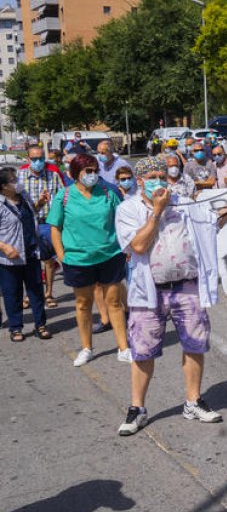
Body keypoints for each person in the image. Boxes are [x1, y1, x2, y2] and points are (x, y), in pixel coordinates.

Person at [114, 155, 227, 436]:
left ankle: (193, 401)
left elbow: (214, 222)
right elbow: (138, 246)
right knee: (143, 351)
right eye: (152, 175)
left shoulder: (184, 205)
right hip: (149, 292)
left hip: (186, 286)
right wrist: (156, 211)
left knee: (195, 345)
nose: (159, 180)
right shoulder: (127, 210)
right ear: (140, 181)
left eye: (162, 175)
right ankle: (137, 408)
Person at [46, 153, 130, 367]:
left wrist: (126, 247)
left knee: (114, 302)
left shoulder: (108, 194)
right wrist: (62, 256)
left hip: (110, 255)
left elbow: (122, 220)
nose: (93, 175)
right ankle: (86, 348)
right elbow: (55, 228)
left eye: (95, 171)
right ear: (76, 173)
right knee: (83, 304)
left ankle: (124, 347)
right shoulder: (64, 196)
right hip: (78, 259)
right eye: (88, 171)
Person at [0, 167, 51, 342]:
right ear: (3, 186)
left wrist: (40, 203)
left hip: (31, 252)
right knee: (12, 293)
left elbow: (31, 215)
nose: (18, 183)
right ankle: (15, 328)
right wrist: (4, 247)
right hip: (10, 258)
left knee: (36, 290)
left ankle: (40, 325)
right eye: (13, 180)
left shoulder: (25, 197)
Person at [18, 145, 66, 303]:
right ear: (28, 159)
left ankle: (49, 293)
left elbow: (64, 199)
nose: (38, 162)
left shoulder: (53, 176)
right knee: (29, 260)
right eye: (34, 159)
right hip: (28, 224)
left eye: (41, 159)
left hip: (48, 223)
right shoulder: (19, 176)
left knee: (49, 260)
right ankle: (29, 294)